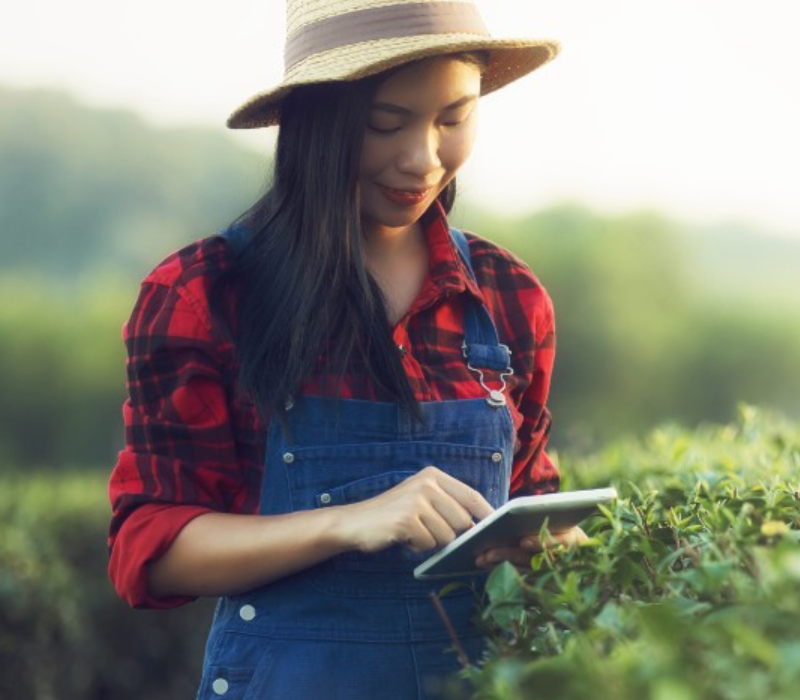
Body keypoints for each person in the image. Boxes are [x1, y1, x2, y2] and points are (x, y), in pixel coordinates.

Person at [104, 1, 581, 696]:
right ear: (318, 120)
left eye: (454, 118)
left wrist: (548, 542)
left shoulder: (510, 299)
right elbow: (150, 550)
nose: (423, 158)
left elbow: (533, 499)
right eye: (385, 123)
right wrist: (350, 523)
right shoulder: (206, 295)